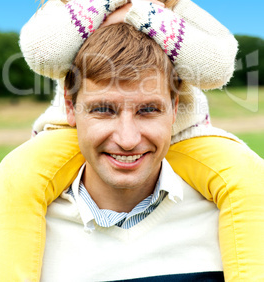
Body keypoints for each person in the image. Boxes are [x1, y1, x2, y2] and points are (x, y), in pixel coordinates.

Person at [0, 0, 263, 281]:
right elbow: (41, 53)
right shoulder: (74, 0)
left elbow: (218, 65)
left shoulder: (173, 6)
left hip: (184, 134)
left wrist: (146, 14)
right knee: (17, 176)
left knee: (247, 176)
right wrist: (102, 2)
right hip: (76, 133)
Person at [41, 22, 225, 281]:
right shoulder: (24, 227)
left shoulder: (230, 219)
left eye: (148, 110)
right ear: (70, 108)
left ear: (174, 108)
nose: (127, 140)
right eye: (103, 110)